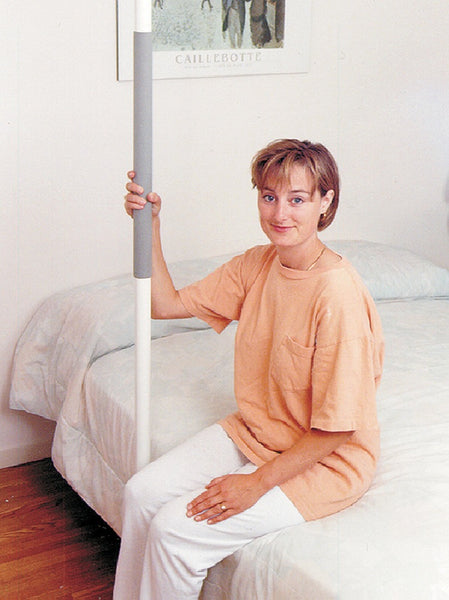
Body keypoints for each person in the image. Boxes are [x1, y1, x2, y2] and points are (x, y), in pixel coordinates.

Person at [113, 138, 384, 600]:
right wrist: (151, 225)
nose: (280, 214)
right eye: (269, 196)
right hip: (259, 434)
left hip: (326, 460)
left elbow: (338, 430)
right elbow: (164, 303)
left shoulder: (337, 294)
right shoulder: (258, 263)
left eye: (298, 199)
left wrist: (255, 485)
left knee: (175, 532)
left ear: (325, 202)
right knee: (141, 494)